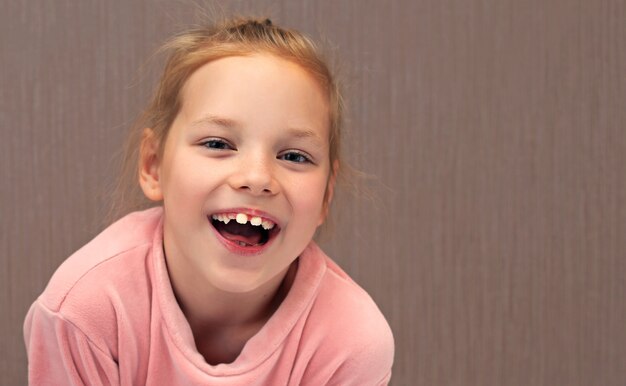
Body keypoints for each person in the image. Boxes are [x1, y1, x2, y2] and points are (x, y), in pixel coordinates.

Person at [24, 17, 394, 385]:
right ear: (154, 166)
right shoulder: (85, 310)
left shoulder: (351, 341)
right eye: (218, 144)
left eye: (294, 156)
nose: (257, 178)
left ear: (326, 197)